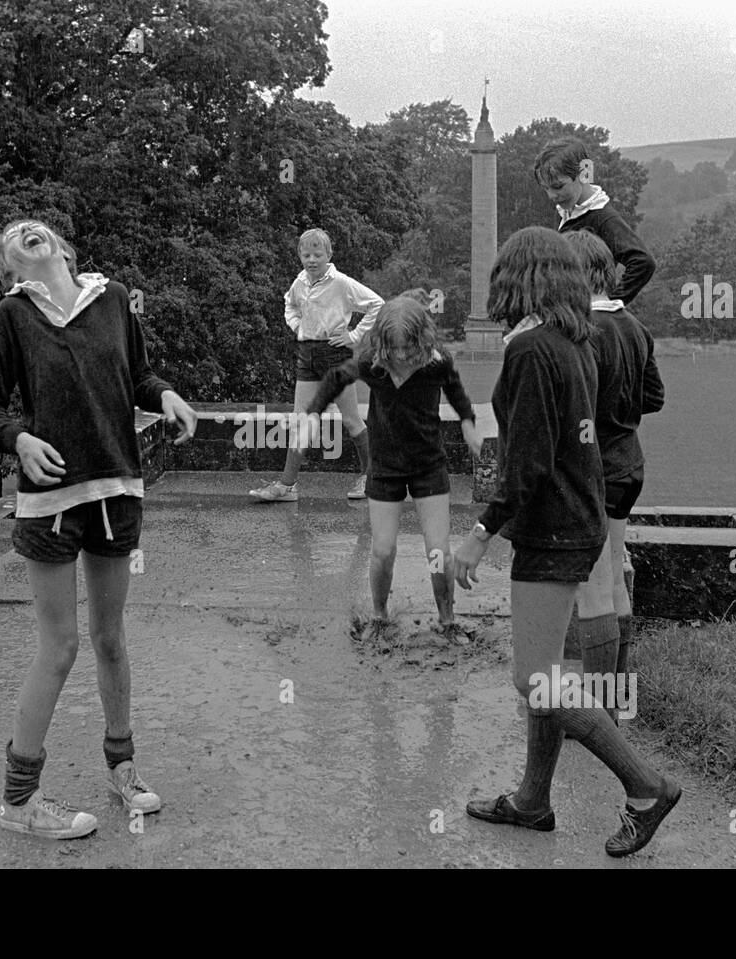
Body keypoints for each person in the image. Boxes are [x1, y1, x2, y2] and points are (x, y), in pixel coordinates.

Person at [0, 218, 198, 839]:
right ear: (11, 269)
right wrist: (18, 439)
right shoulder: (12, 316)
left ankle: (123, 769)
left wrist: (167, 395)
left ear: (63, 249)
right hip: (50, 505)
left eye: (34, 226)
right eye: (12, 235)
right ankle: (19, 802)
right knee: (61, 646)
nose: (24, 230)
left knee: (112, 637)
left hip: (116, 489)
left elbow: (140, 377)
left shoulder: (114, 298)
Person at [453, 226, 680, 858]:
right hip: (580, 519)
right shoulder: (573, 337)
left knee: (536, 681)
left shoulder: (532, 349)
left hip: (553, 529)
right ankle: (532, 800)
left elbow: (526, 463)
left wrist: (478, 533)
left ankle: (646, 787)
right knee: (548, 673)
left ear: (518, 277)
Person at [296, 291, 481, 633]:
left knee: (438, 552)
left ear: (421, 341)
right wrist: (312, 415)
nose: (399, 355)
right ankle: (379, 617)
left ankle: (447, 621)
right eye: (393, 348)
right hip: (384, 466)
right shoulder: (374, 363)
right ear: (382, 342)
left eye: (407, 348)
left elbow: (456, 391)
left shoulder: (437, 362)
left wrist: (468, 421)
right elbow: (337, 377)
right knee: (382, 550)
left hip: (428, 465)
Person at [561, 232, 665, 723]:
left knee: (595, 587)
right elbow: (654, 397)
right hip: (628, 463)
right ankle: (619, 699)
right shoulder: (635, 328)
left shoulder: (583, 333)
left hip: (592, 470)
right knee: (616, 579)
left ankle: (599, 712)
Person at [250, 229, 383, 502]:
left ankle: (371, 479)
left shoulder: (342, 283)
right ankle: (287, 487)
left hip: (336, 356)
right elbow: (290, 306)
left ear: (329, 255)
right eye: (306, 254)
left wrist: (354, 336)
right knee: (300, 421)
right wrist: (300, 327)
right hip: (307, 356)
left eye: (317, 254)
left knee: (350, 420)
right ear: (299, 256)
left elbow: (376, 304)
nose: (311, 260)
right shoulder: (299, 282)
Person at [534, 138, 656, 305]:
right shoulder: (567, 211)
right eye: (546, 188)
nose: (551, 196)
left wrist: (610, 305)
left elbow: (643, 262)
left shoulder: (603, 218)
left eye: (558, 186)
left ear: (583, 174)